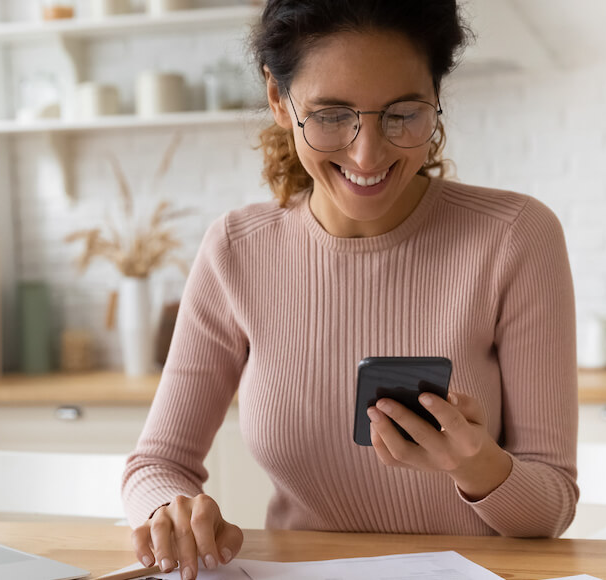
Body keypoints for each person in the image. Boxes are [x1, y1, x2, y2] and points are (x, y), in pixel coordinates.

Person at [121, 1, 579, 578]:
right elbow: (156, 464)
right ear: (277, 100)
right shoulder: (237, 250)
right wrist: (171, 510)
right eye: (332, 114)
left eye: (402, 114)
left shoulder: (514, 237)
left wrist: (477, 464)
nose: (368, 154)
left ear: (436, 96)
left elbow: (551, 507)